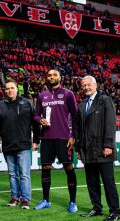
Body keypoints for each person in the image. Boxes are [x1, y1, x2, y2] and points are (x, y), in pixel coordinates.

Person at [76, 76, 120, 221]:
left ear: (95, 85)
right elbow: (79, 129)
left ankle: (115, 211)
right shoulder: (82, 104)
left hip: (103, 150)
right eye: (84, 85)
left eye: (89, 85)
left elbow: (110, 123)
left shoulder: (105, 100)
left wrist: (108, 144)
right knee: (92, 182)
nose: (86, 88)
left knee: (108, 182)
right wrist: (78, 148)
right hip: (88, 150)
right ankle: (96, 208)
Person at [34, 69, 78, 213]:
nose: (51, 77)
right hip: (46, 138)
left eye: (54, 75)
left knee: (69, 169)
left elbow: (75, 116)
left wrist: (73, 136)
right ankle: (46, 200)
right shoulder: (42, 95)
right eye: (49, 75)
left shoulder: (67, 94)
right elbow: (35, 116)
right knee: (46, 169)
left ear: (60, 77)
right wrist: (40, 119)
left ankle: (73, 202)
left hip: (64, 138)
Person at [0, 79, 40, 209]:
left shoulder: (27, 103)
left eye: (12, 88)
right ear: (4, 90)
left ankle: (25, 199)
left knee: (24, 174)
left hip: (23, 145)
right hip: (8, 146)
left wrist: (36, 140)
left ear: (17, 89)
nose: (9, 90)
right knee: (12, 174)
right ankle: (14, 197)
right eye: (7, 89)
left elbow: (35, 124)